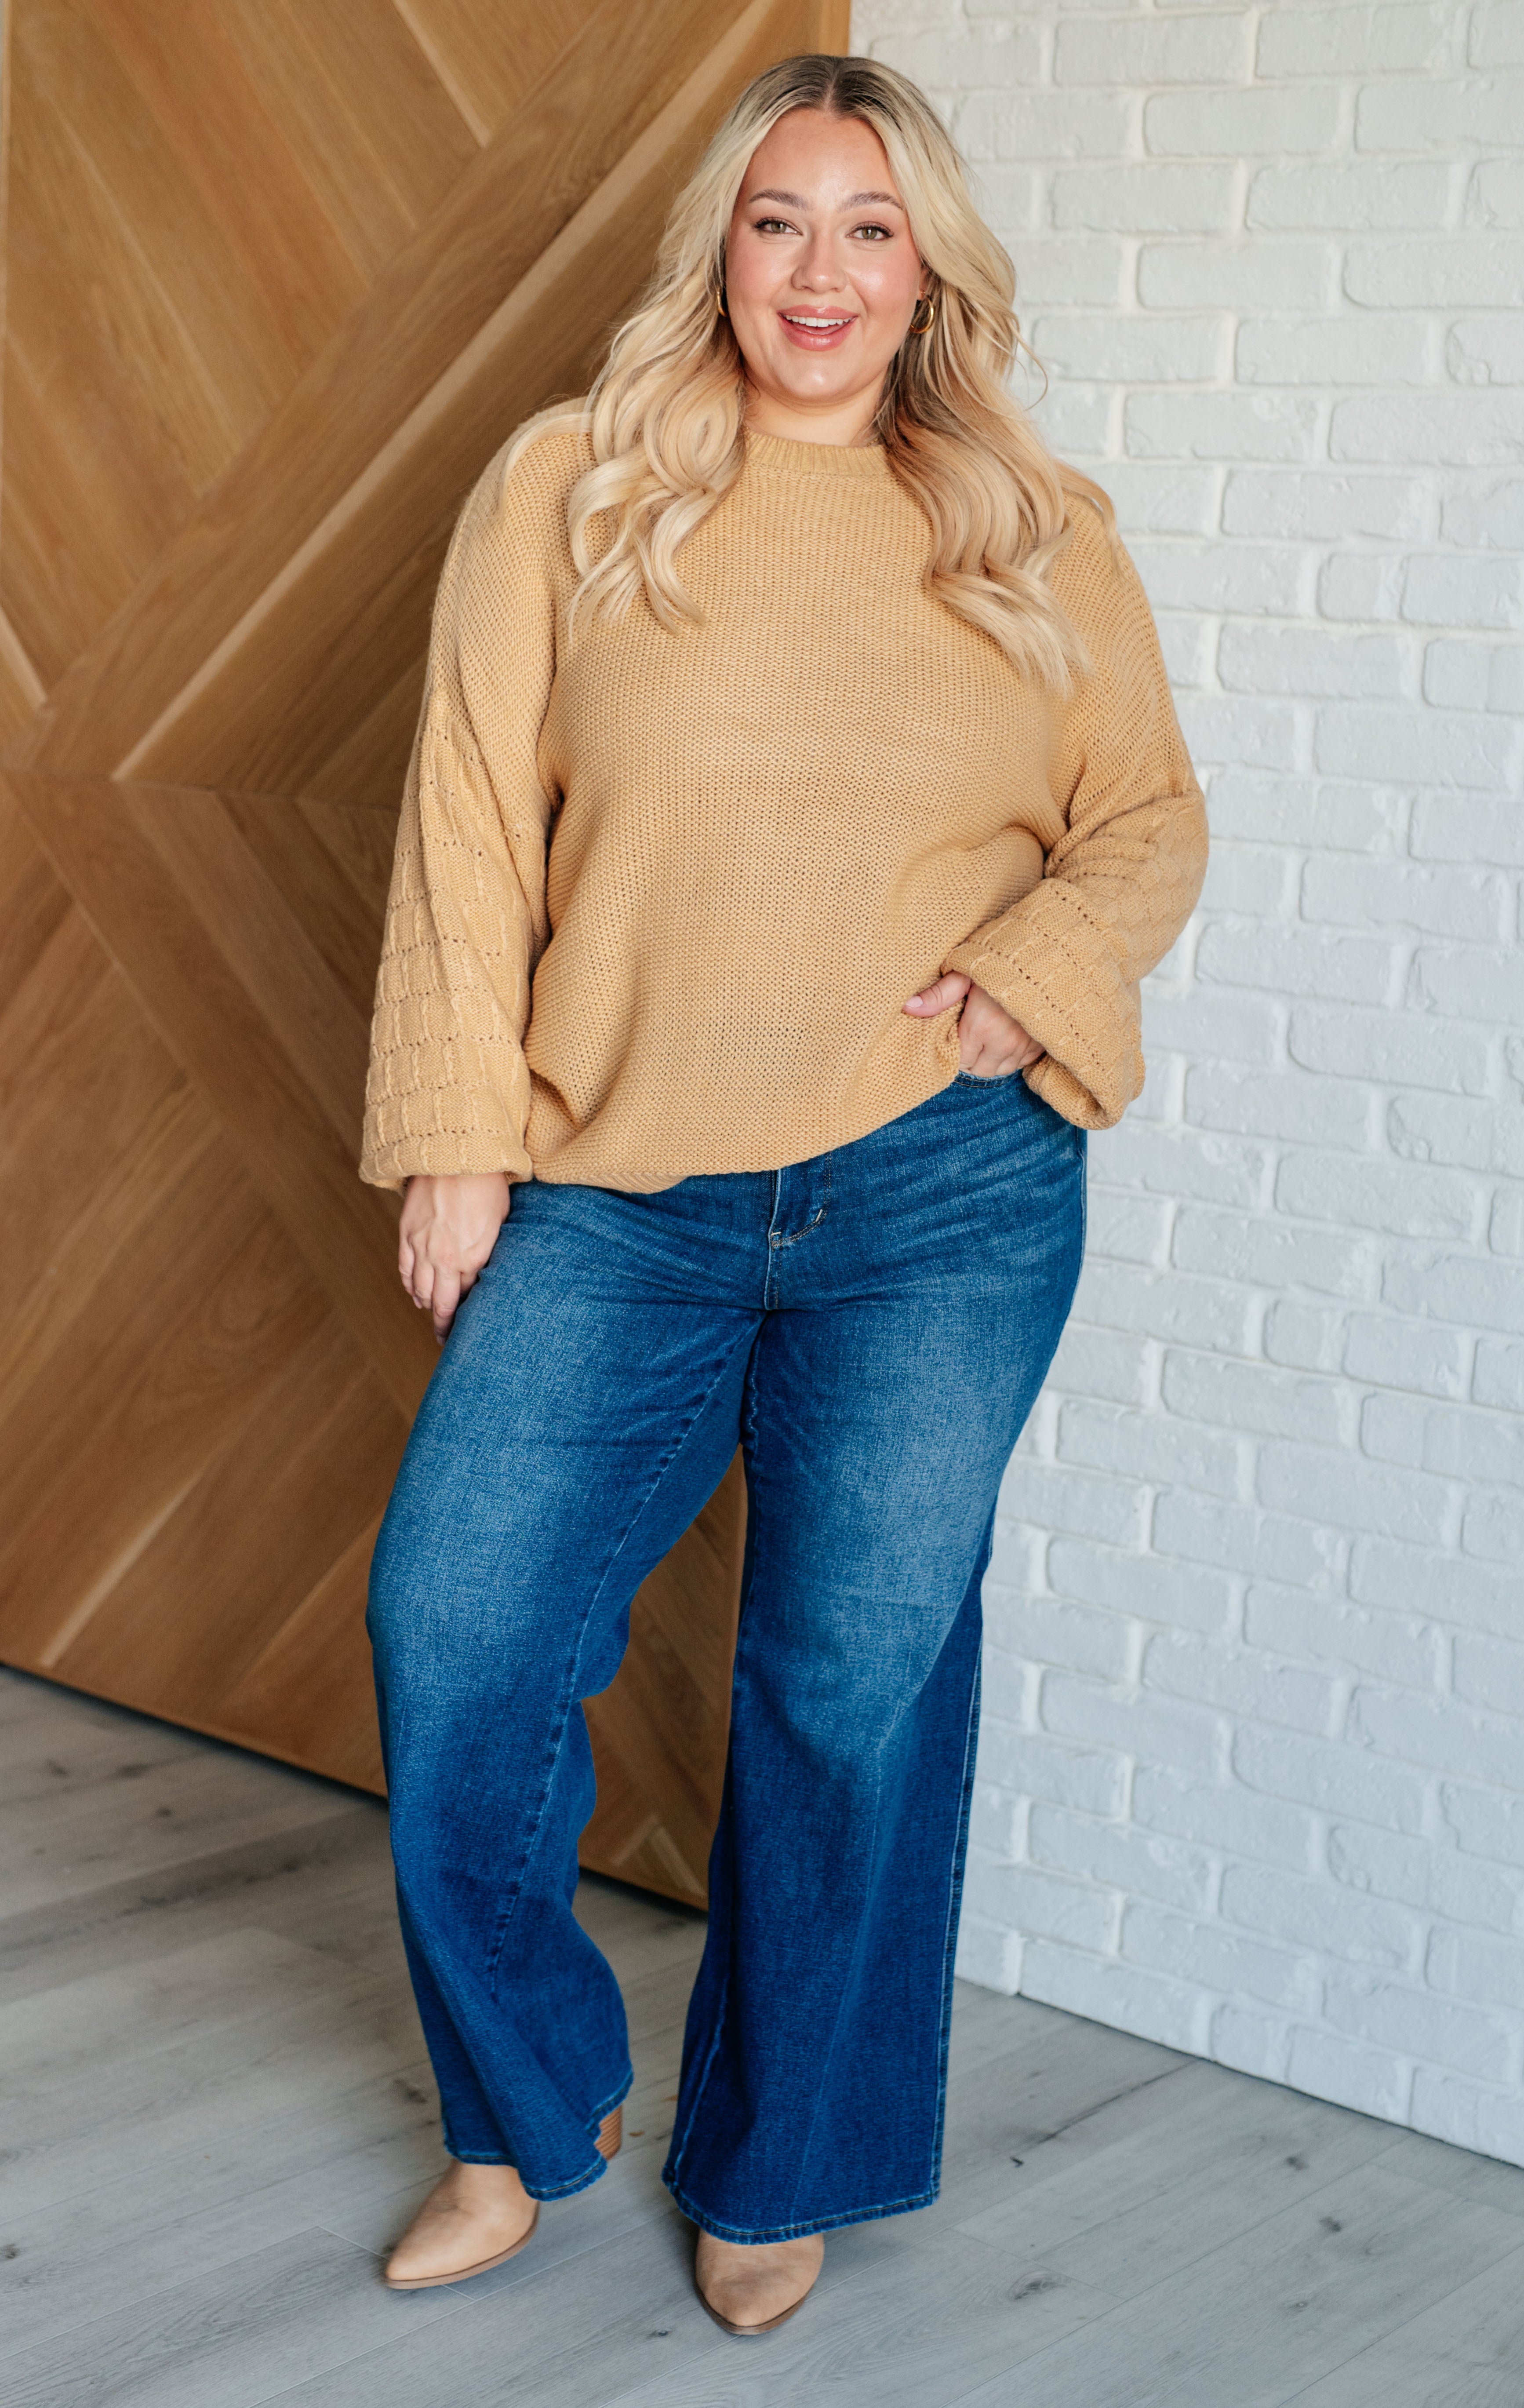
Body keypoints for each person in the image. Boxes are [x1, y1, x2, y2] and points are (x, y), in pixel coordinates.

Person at [359, 51, 1206, 2337]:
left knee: (847, 1683)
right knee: (457, 1633)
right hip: (618, 1187)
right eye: (772, 221)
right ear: (714, 251)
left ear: (925, 263)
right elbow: (462, 822)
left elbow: (1144, 825)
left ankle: (779, 2155)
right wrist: (458, 1122)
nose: (815, 272)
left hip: (935, 1198)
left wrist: (1026, 984)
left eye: (863, 225)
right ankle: (518, 2113)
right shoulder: (574, 482)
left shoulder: (1034, 526)